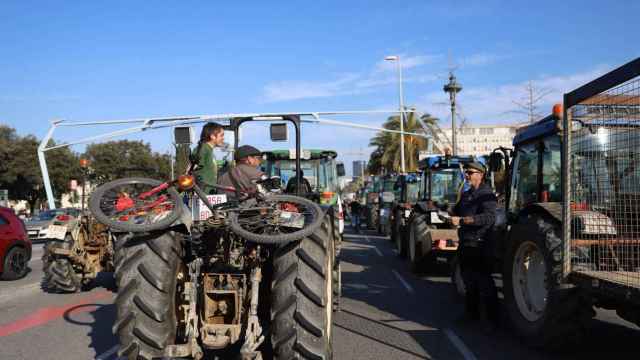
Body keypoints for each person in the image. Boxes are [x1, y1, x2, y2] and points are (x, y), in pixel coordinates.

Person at [450, 162, 499, 331]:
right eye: (467, 173)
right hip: (465, 243)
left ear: (480, 174)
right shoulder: (466, 195)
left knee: (484, 282)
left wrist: (463, 221)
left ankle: (493, 320)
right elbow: (455, 210)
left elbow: (489, 217)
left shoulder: (487, 195)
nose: (467, 175)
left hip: (480, 244)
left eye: (470, 172)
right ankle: (471, 315)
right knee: (468, 281)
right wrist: (442, 210)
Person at [193, 122, 225, 194]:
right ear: (212, 136)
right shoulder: (203, 149)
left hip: (209, 195)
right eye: (221, 135)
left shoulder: (208, 150)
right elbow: (191, 170)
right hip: (203, 196)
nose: (223, 138)